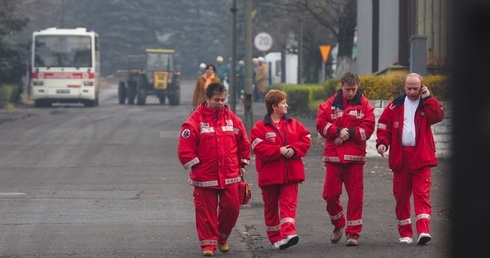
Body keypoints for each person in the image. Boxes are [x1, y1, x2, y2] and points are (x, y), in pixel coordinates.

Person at [178, 82, 251, 256]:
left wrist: (241, 163)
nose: (220, 103)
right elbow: (185, 149)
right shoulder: (194, 121)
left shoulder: (232, 118)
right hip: (205, 176)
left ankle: (221, 237)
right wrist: (197, 166)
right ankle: (208, 245)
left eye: (223, 100)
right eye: (217, 100)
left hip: (230, 174)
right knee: (206, 212)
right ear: (208, 99)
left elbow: (243, 141)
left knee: (232, 208)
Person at [376, 73, 444, 245]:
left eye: (415, 88)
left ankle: (423, 231)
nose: (412, 92)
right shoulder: (394, 106)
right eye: (409, 88)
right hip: (400, 157)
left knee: (422, 194)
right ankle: (405, 234)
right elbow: (384, 126)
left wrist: (428, 98)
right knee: (401, 195)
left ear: (422, 87)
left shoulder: (426, 104)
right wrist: (382, 143)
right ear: (404, 88)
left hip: (421, 155)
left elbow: (437, 116)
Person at [316, 71, 375, 246]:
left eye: (353, 89)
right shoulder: (329, 104)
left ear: (358, 87)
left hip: (354, 159)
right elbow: (320, 124)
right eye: (348, 89)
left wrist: (348, 132)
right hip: (334, 158)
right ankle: (338, 223)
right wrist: (336, 131)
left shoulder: (365, 106)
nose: (350, 93)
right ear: (341, 86)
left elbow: (368, 129)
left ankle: (353, 234)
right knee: (330, 195)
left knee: (356, 197)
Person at [250, 89, 311, 250]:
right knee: (270, 208)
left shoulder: (294, 124)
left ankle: (288, 234)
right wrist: (279, 151)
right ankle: (275, 238)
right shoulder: (259, 128)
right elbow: (258, 148)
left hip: (291, 174)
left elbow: (306, 140)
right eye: (283, 103)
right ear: (274, 106)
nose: (286, 105)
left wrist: (294, 149)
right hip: (269, 176)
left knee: (288, 204)